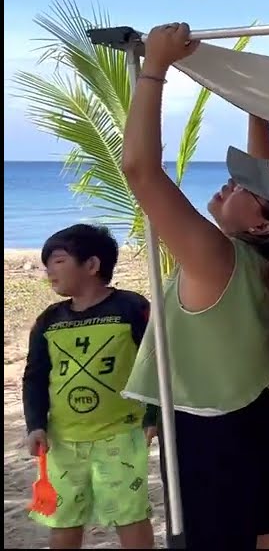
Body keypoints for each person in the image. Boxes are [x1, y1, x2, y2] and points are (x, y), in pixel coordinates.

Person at [119, 22, 269, 549]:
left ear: (262, 224)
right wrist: (252, 98)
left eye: (244, 187)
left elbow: (140, 171)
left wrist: (155, 69)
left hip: (215, 440)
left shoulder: (217, 258)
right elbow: (265, 171)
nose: (231, 181)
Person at [22, 223, 158, 549]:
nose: (49, 271)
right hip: (64, 440)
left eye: (57, 260)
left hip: (122, 434)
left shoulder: (131, 308)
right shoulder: (48, 320)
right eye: (46, 264)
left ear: (92, 265)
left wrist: (153, 417)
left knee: (130, 514)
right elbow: (35, 376)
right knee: (64, 517)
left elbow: (156, 365)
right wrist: (36, 424)